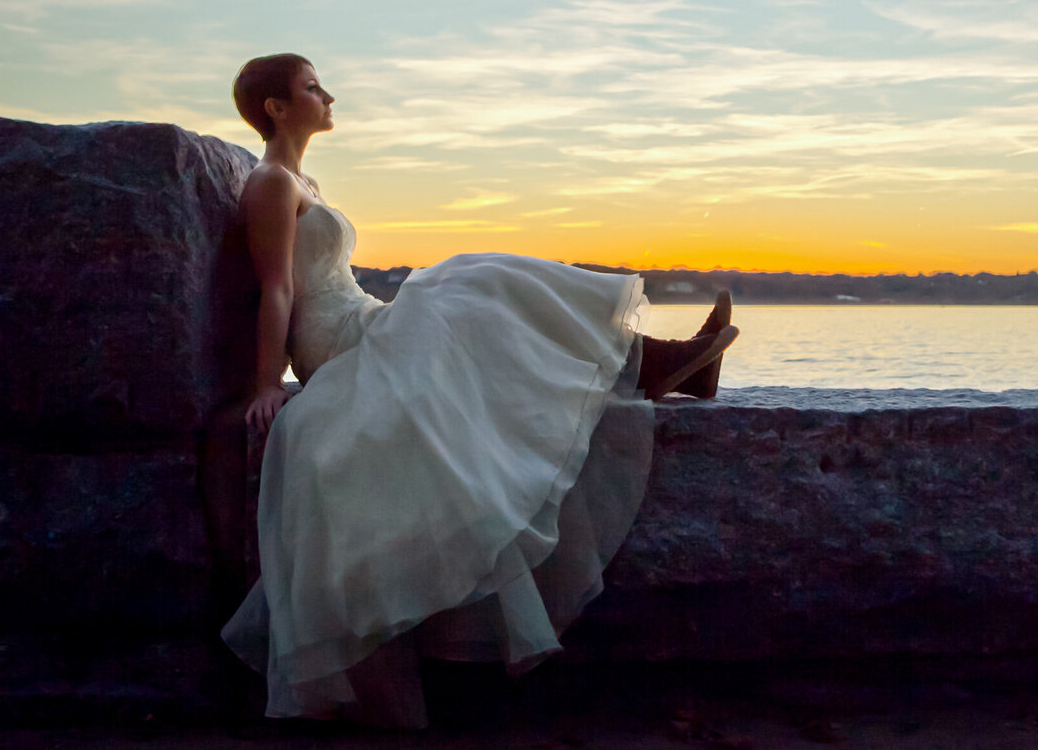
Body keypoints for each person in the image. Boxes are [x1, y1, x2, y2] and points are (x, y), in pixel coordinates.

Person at [217, 53, 736, 727]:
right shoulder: (269, 183)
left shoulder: (299, 178)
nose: (329, 94)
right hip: (340, 342)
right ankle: (663, 363)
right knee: (471, 281)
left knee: (479, 302)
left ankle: (661, 362)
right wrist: (265, 383)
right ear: (277, 108)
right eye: (313, 87)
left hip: (362, 320)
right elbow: (278, 285)